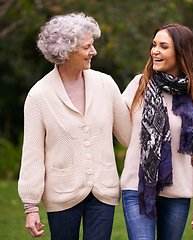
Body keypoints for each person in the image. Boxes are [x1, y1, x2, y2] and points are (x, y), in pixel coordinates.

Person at [18, 12, 131, 240]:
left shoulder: (105, 84)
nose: (94, 52)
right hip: (61, 194)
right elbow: (32, 154)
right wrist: (31, 207)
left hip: (103, 190)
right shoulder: (39, 96)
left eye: (93, 45)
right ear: (66, 52)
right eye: (87, 47)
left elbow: (130, 135)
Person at [120, 23, 193, 240]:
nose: (155, 51)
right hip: (137, 187)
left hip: (177, 194)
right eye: (154, 45)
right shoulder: (139, 84)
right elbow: (115, 123)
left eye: (163, 46)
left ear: (180, 53)